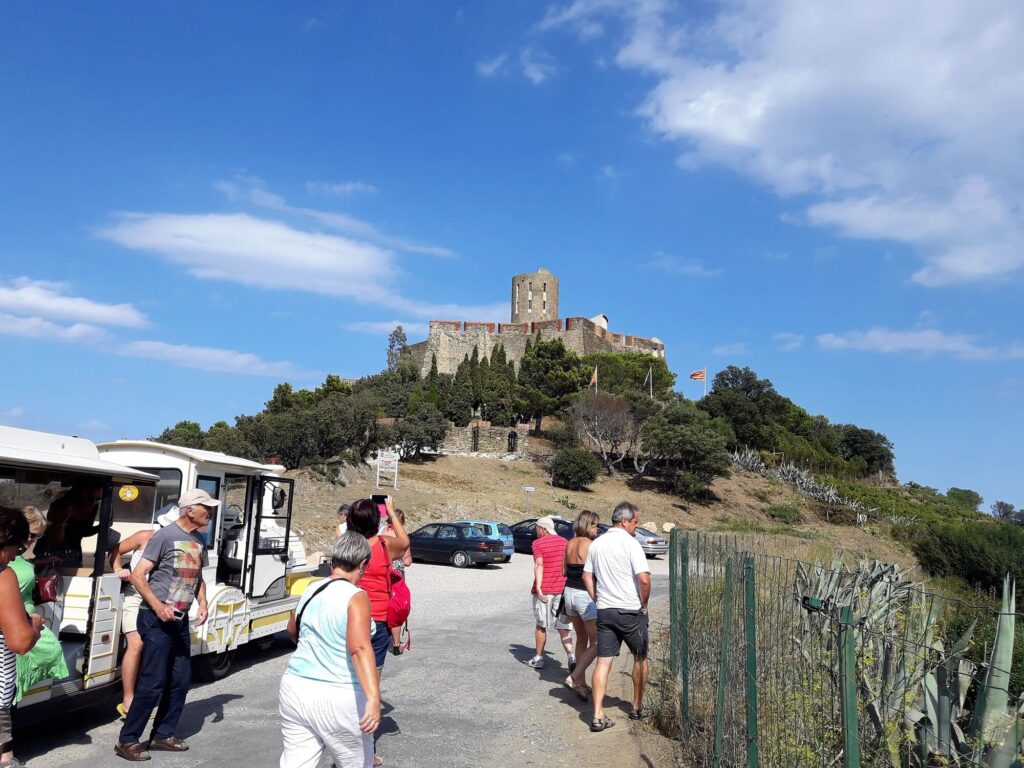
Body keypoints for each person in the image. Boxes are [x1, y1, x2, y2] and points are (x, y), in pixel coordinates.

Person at [115, 490, 213, 762]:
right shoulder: (165, 536)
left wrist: (202, 601)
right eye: (206, 507)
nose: (211, 512)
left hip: (179, 619)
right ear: (190, 510)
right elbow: (137, 575)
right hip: (154, 618)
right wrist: (158, 606)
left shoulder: (199, 539)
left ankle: (162, 735)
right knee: (153, 681)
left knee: (181, 679)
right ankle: (128, 740)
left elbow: (198, 575)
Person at [279, 532, 380, 768]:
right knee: (355, 763)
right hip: (338, 693)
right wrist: (374, 697)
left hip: (296, 688)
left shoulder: (312, 589)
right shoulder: (356, 597)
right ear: (363, 564)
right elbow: (359, 648)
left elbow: (292, 629)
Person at [347, 497, 409, 768]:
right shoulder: (384, 545)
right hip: (379, 620)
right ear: (377, 519)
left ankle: (344, 743)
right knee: (371, 687)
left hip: (352, 619)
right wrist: (392, 513)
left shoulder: (347, 545)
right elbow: (405, 543)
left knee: (348, 681)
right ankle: (364, 752)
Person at [583, 501, 651, 733]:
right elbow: (643, 579)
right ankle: (636, 706)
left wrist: (597, 599)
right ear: (624, 521)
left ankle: (597, 715)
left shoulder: (597, 544)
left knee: (603, 662)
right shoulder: (632, 545)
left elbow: (586, 576)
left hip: (605, 611)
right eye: (635, 521)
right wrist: (644, 605)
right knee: (640, 658)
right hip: (631, 611)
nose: (637, 525)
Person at [108, 506, 179, 718]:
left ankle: (144, 696)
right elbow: (115, 551)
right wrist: (118, 569)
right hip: (136, 594)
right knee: (136, 644)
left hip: (159, 597)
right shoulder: (144, 536)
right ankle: (128, 699)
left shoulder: (179, 542)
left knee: (154, 646)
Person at [10, 507, 68, 704]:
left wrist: (38, 562)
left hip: (24, 622)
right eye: (32, 535)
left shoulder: (15, 557)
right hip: (16, 624)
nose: (31, 542)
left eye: (37, 537)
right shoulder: (8, 562)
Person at [0, 506, 43, 768]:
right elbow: (21, 641)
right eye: (18, 549)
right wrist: (35, 625)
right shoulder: (3, 576)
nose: (16, 556)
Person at [526, 516, 574, 671]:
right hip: (561, 590)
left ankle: (539, 658)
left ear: (543, 529)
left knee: (541, 625)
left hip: (545, 591)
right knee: (563, 625)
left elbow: (539, 564)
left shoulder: (537, 543)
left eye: (537, 528)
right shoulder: (565, 542)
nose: (536, 531)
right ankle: (571, 656)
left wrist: (538, 588)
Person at [561, 510, 600, 701]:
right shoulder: (591, 545)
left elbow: (563, 571)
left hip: (569, 593)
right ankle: (573, 677)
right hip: (585, 595)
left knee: (581, 639)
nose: (597, 529)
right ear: (586, 525)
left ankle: (581, 683)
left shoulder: (569, 543)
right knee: (597, 643)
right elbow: (595, 574)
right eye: (594, 525)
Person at [35, 483, 104, 567]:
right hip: (53, 554)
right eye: (89, 498)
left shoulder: (93, 507)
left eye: (98, 499)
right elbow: (55, 533)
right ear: (78, 494)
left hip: (73, 553)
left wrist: (102, 526)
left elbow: (85, 530)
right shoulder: (62, 506)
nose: (94, 502)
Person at [382, 509, 412, 655]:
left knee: (383, 603)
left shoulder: (381, 532)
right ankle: (395, 644)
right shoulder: (401, 536)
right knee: (397, 606)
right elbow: (408, 561)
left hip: (383, 571)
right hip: (397, 574)